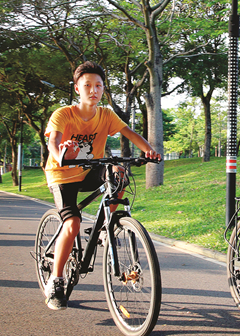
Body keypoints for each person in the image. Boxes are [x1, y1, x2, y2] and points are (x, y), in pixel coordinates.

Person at [42, 61, 160, 310]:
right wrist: (60, 154)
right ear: (77, 88)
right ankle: (56, 279)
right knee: (72, 224)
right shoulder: (63, 114)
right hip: (62, 174)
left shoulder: (106, 114)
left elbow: (129, 133)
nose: (93, 90)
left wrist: (149, 150)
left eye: (98, 85)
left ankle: (110, 223)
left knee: (119, 173)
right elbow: (54, 141)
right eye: (87, 85)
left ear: (103, 89)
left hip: (88, 170)